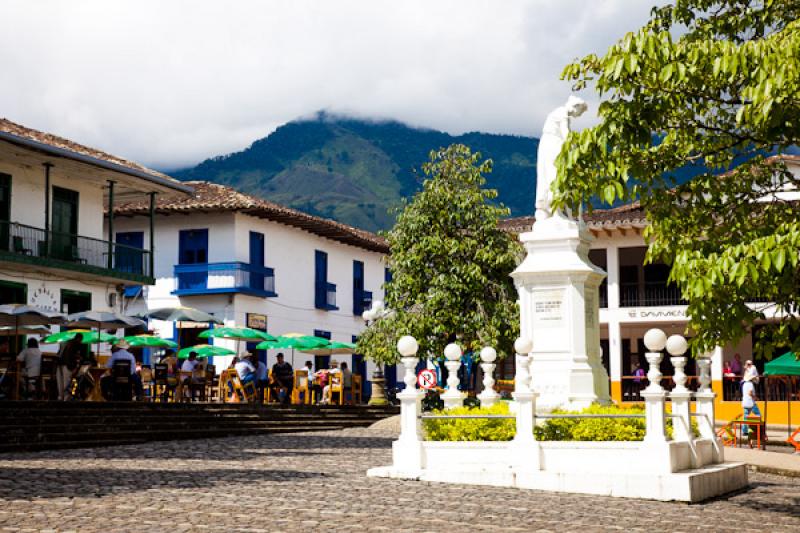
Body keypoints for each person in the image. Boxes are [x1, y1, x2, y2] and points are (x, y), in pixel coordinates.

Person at [57, 333, 83, 401]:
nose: (81, 342)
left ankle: (61, 397)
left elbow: (60, 354)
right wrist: (73, 368)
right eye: (81, 340)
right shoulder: (75, 344)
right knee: (67, 383)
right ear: (79, 338)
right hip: (68, 365)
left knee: (61, 384)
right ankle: (66, 399)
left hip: (60, 365)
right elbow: (70, 356)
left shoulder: (67, 343)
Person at [741, 371, 762, 439]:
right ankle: (759, 430)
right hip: (751, 403)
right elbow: (750, 393)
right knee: (758, 415)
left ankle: (744, 431)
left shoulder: (744, 384)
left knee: (745, 417)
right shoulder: (750, 384)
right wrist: (755, 397)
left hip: (745, 402)